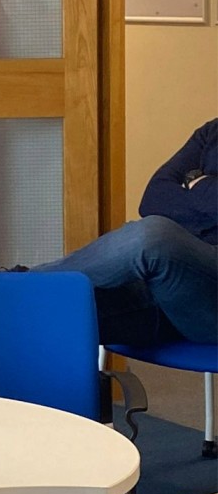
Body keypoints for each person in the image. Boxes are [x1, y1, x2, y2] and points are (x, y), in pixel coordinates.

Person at [31, 119, 216, 346]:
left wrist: (199, 185)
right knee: (46, 310)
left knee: (152, 237)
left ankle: (21, 281)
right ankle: (2, 298)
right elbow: (154, 199)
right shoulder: (212, 132)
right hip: (172, 287)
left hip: (208, 298)